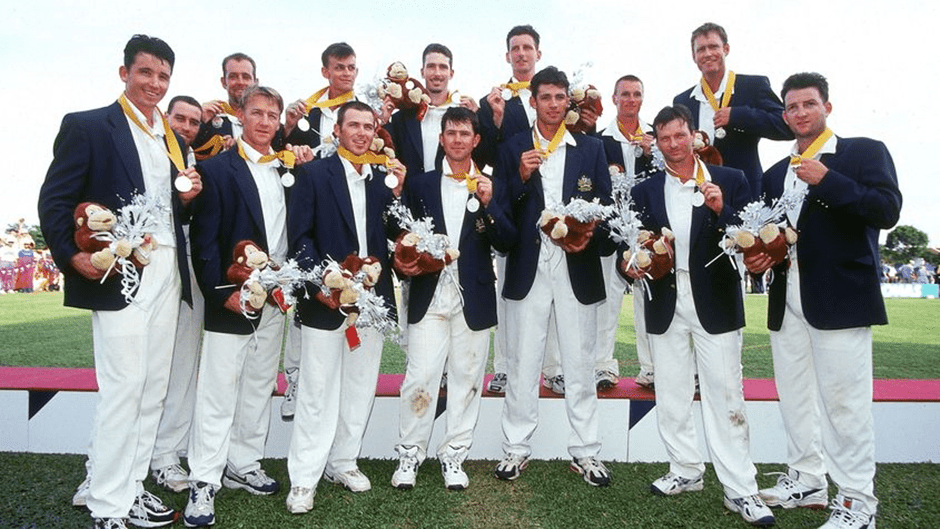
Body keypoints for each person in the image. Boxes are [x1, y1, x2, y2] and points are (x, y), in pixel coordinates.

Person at [38, 34, 201, 529]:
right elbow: (55, 201)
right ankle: (107, 506)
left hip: (167, 271)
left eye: (163, 76)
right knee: (124, 389)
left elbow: (166, 204)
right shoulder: (88, 126)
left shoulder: (173, 138)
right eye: (146, 72)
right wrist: (70, 258)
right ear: (124, 72)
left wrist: (187, 197)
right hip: (118, 273)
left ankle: (130, 489)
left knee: (153, 389)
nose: (154, 83)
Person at [746, 72, 901, 529]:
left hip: (840, 298)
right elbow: (769, 231)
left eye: (807, 105)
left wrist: (828, 179)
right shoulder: (775, 172)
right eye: (791, 108)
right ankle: (807, 479)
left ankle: (857, 502)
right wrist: (758, 255)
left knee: (844, 403)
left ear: (826, 107)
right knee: (794, 396)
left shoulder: (861, 152)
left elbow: (886, 210)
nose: (798, 114)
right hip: (786, 295)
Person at [625, 104, 773, 526]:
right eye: (665, 137)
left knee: (726, 393)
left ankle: (741, 489)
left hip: (717, 300)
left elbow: (747, 240)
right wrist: (631, 260)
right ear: (656, 141)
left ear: (693, 135)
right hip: (665, 300)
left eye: (679, 135)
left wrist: (722, 209)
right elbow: (634, 243)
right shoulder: (645, 190)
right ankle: (685, 470)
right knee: (671, 391)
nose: (673, 144)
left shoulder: (731, 180)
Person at [182, 86, 313, 527]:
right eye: (256, 113)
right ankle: (204, 480)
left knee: (259, 383)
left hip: (276, 297)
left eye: (272, 115)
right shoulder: (216, 169)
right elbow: (204, 240)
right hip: (231, 296)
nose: (264, 121)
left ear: (280, 121)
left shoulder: (289, 168)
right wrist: (222, 294)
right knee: (218, 390)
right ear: (240, 116)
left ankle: (244, 462)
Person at [284, 101, 406, 514]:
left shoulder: (381, 181)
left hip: (372, 303)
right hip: (325, 300)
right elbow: (300, 237)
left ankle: (343, 461)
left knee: (359, 385)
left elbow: (392, 233)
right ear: (337, 130)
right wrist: (325, 280)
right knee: (317, 389)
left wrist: (401, 195)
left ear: (374, 133)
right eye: (352, 124)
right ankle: (303, 478)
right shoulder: (313, 173)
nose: (360, 132)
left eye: (367, 126)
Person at [492, 66, 611, 487]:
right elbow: (501, 208)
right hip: (529, 265)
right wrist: (523, 177)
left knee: (580, 361)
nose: (554, 105)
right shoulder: (513, 148)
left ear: (568, 101)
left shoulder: (590, 148)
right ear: (534, 101)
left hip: (575, 265)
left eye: (561, 97)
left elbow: (604, 206)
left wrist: (582, 234)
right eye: (546, 97)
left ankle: (586, 452)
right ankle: (515, 449)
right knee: (523, 360)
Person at [391, 107, 512, 490]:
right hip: (429, 296)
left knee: (467, 378)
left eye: (465, 133)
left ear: (476, 140)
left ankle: (454, 454)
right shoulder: (420, 185)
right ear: (441, 138)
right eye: (451, 132)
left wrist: (491, 204)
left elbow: (507, 242)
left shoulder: (491, 184)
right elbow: (401, 239)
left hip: (473, 297)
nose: (458, 139)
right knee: (420, 376)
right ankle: (410, 453)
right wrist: (403, 262)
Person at [476, 24, 559, 395]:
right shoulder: (492, 100)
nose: (522, 53)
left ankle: (554, 368)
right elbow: (484, 156)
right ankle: (506, 367)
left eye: (528, 47)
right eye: (515, 48)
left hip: (553, 202)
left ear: (538, 53)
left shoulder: (557, 93)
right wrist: (494, 121)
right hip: (513, 197)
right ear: (507, 55)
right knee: (511, 287)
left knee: (558, 291)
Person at [148, 94, 205, 493]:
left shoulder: (190, 157)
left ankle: (166, 456)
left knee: (182, 362)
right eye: (179, 119)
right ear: (166, 117)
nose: (186, 127)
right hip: (141, 266)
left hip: (185, 268)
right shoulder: (149, 146)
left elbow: (191, 213)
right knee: (140, 369)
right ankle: (108, 465)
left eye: (193, 123)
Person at [598, 74, 657, 390]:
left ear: (642, 99)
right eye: (625, 94)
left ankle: (650, 368)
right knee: (606, 301)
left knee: (647, 300)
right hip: (612, 231)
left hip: (646, 231)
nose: (630, 100)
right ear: (614, 98)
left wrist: (653, 153)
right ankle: (604, 366)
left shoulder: (657, 138)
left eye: (636, 94)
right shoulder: (599, 140)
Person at [386, 43, 480, 179]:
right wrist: (383, 119)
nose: (437, 73)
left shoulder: (466, 113)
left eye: (443, 67)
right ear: (422, 72)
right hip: (410, 196)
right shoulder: (401, 118)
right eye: (431, 67)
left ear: (451, 73)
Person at [192, 53, 271, 159]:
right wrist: (200, 121)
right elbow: (188, 152)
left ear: (255, 82)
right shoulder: (210, 116)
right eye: (233, 76)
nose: (240, 82)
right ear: (224, 82)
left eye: (246, 77)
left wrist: (290, 125)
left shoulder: (269, 121)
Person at [284, 42, 359, 151]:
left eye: (351, 68)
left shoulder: (365, 114)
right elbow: (290, 149)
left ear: (356, 72)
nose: (347, 73)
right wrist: (289, 126)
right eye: (339, 68)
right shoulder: (308, 111)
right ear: (325, 72)